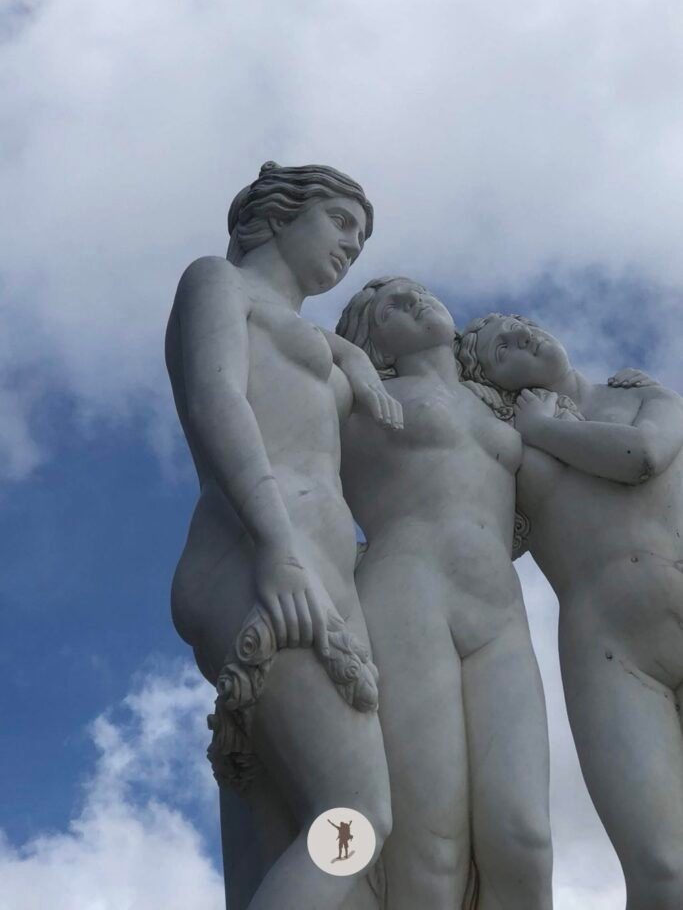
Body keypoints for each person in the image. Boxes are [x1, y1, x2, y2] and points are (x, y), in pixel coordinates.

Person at [166, 163, 400, 910]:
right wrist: (275, 547)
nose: (349, 246)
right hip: (265, 555)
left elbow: (323, 361)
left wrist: (355, 358)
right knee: (356, 820)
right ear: (275, 215)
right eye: (338, 221)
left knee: (292, 837)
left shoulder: (307, 336)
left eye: (360, 241)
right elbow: (215, 397)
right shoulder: (218, 282)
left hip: (317, 569)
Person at [336, 278, 554, 910]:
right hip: (408, 590)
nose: (417, 304)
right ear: (371, 337)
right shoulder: (358, 393)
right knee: (431, 838)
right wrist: (347, 359)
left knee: (525, 835)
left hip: (499, 606)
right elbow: (273, 349)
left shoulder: (503, 409)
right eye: (392, 307)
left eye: (418, 294)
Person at [457, 313, 683, 910]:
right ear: (491, 381)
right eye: (500, 348)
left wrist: (544, 429)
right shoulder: (511, 457)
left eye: (520, 325)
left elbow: (644, 454)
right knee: (664, 871)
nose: (522, 337)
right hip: (613, 657)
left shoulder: (643, 396)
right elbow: (469, 533)